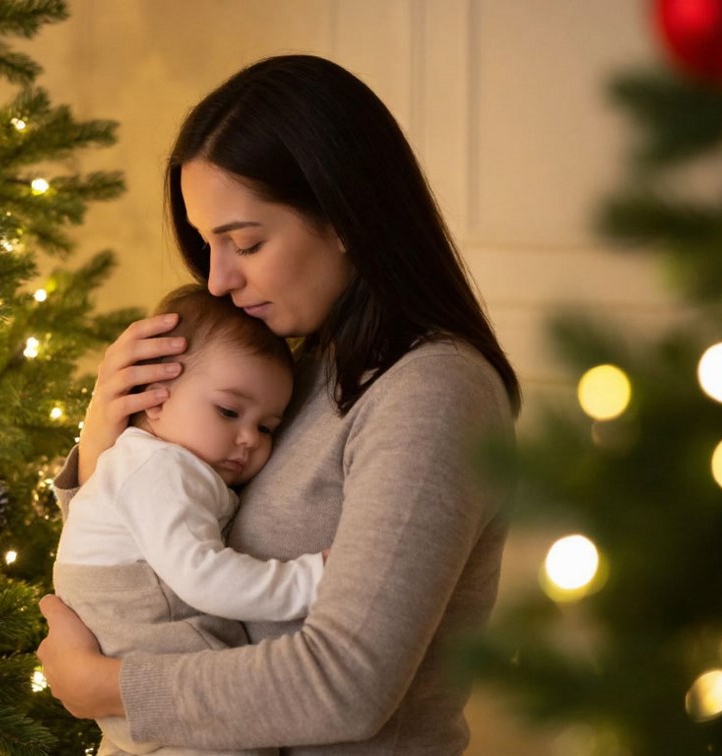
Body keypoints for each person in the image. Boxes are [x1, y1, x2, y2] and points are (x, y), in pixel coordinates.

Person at [38, 54, 522, 754]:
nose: (217, 279)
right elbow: (153, 572)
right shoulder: (297, 371)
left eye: (245, 242)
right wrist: (104, 444)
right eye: (207, 245)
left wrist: (106, 688)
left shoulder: (432, 392)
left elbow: (344, 684)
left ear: (343, 216)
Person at [54, 284, 325, 756]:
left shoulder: (158, 463)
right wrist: (313, 579)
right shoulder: (162, 468)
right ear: (154, 398)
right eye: (228, 411)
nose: (248, 439)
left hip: (138, 690)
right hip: (155, 671)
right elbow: (202, 578)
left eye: (266, 427)